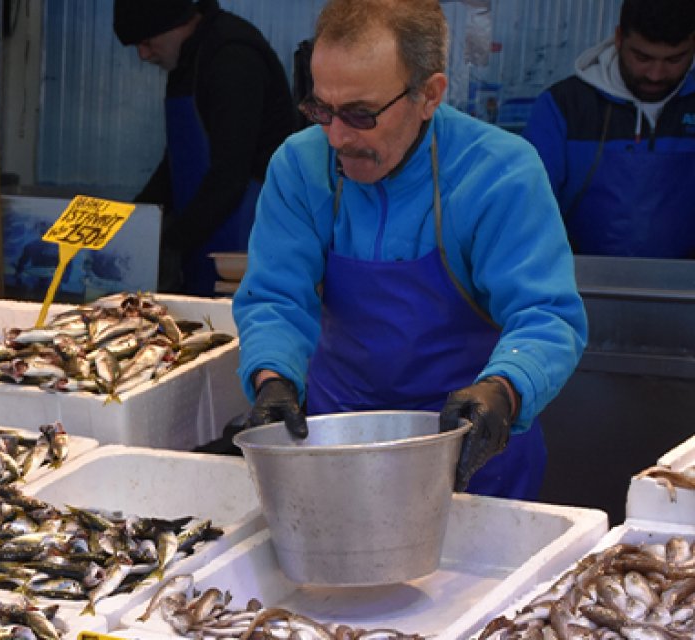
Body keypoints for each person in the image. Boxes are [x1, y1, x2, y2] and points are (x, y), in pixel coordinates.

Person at [231, 0, 588, 500]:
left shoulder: (499, 173)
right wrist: (274, 378)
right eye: (321, 109)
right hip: (336, 442)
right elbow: (275, 298)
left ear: (429, 94)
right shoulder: (298, 166)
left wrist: (502, 390)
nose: (336, 136)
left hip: (471, 451)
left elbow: (546, 315)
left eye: (360, 114)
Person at [113, 0, 295, 296]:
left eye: (146, 42)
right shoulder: (186, 59)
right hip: (204, 236)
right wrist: (134, 221)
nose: (143, 55)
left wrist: (171, 241)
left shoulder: (233, 58)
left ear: (180, 22)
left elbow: (230, 175)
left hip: (246, 242)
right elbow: (176, 160)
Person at [522, 0, 695, 258]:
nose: (656, 74)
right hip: (580, 283)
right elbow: (526, 209)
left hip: (684, 289)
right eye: (642, 57)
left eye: (674, 59)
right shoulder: (564, 106)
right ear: (618, 38)